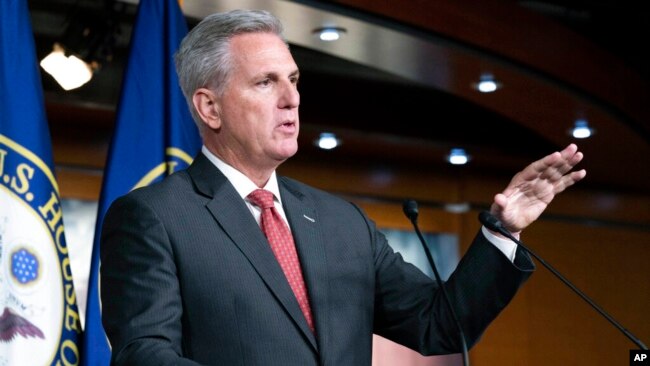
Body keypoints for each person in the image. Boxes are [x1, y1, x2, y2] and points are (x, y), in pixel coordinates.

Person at [99, 9, 586, 366]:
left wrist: (502, 230)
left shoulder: (341, 222)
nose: (291, 99)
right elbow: (145, 355)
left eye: (293, 79)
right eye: (266, 83)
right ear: (209, 108)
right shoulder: (155, 217)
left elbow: (439, 324)